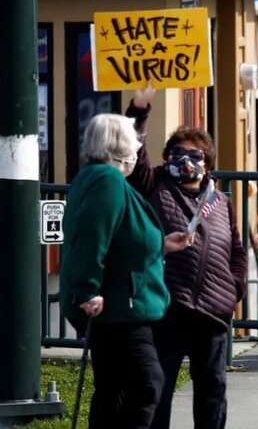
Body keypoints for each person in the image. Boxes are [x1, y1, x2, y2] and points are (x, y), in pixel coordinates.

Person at [126, 84, 248, 429]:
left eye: (194, 155)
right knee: (158, 388)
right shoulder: (154, 185)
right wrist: (139, 109)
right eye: (177, 153)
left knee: (212, 389)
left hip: (213, 311)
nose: (185, 160)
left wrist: (235, 287)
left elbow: (237, 251)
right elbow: (135, 154)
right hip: (168, 307)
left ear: (206, 162)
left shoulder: (221, 201)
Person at [60, 113, 191, 429]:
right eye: (133, 142)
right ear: (119, 146)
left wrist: (161, 244)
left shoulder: (98, 178)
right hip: (120, 306)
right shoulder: (108, 180)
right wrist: (88, 288)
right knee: (147, 383)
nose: (137, 148)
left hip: (118, 303)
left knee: (114, 388)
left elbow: (121, 236)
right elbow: (93, 235)